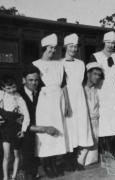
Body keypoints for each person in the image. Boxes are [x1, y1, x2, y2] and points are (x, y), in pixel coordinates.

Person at [32, 33, 69, 177]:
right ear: (44, 48)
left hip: (58, 100)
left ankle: (55, 163)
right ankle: (46, 165)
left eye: (54, 48)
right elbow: (33, 86)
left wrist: (67, 104)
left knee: (58, 130)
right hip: (44, 101)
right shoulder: (36, 64)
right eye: (50, 48)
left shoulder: (59, 64)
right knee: (47, 133)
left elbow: (64, 86)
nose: (53, 51)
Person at [62, 33, 94, 170]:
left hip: (80, 98)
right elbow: (63, 85)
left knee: (80, 127)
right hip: (67, 98)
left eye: (75, 46)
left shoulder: (81, 63)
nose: (74, 49)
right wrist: (67, 104)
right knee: (69, 128)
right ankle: (68, 161)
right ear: (65, 47)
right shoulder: (60, 63)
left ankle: (77, 160)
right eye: (71, 46)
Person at [89, 31, 115, 155]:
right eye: (108, 42)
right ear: (104, 41)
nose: (110, 45)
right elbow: (91, 76)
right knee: (104, 120)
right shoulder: (95, 56)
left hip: (114, 90)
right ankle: (105, 151)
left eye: (113, 42)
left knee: (114, 119)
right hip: (101, 90)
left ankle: (112, 151)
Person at [0, 74, 30, 180]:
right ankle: (5, 177)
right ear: (3, 88)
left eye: (13, 87)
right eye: (8, 88)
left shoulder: (18, 97)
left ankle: (13, 176)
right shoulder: (1, 95)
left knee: (17, 155)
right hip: (5, 129)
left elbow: (26, 115)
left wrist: (23, 130)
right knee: (6, 155)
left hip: (16, 129)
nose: (11, 90)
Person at [78, 62, 104, 166]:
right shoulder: (81, 89)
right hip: (84, 122)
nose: (97, 77)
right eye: (95, 74)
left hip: (95, 122)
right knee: (84, 147)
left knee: (92, 155)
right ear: (88, 74)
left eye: (99, 75)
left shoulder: (97, 89)